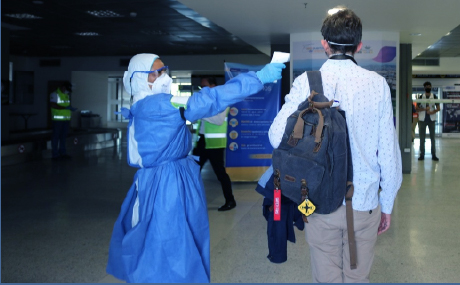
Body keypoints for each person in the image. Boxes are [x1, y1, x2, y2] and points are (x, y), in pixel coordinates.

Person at [106, 53, 285, 283]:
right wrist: (258, 78)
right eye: (156, 72)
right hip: (166, 185)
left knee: (171, 237)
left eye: (164, 70)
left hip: (167, 178)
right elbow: (205, 101)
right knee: (172, 241)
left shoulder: (147, 104)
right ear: (139, 78)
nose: (164, 76)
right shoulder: (160, 104)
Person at [268, 7, 402, 283]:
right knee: (357, 278)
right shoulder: (378, 85)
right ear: (359, 46)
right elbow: (389, 154)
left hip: (317, 201)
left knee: (325, 279)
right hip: (364, 203)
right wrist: (386, 205)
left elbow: (275, 136)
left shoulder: (306, 82)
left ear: (324, 44)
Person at [192, 77, 236, 211]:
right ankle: (191, 202)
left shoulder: (222, 101)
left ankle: (230, 200)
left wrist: (201, 113)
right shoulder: (204, 101)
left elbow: (218, 120)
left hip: (215, 145)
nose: (202, 90)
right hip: (201, 142)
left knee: (220, 174)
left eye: (205, 86)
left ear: (213, 86)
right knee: (192, 171)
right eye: (201, 87)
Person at [49, 81, 77, 160]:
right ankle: (55, 155)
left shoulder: (66, 95)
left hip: (66, 120)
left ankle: (63, 153)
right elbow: (53, 104)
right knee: (56, 137)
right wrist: (65, 108)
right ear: (63, 87)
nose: (67, 91)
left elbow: (66, 105)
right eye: (67, 89)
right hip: (57, 120)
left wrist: (70, 107)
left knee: (63, 137)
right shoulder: (54, 94)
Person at [416, 81, 441, 160]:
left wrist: (432, 112)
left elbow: (438, 108)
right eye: (426, 86)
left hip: (431, 119)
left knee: (432, 138)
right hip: (422, 120)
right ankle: (422, 154)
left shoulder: (434, 96)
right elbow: (416, 108)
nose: (428, 87)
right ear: (424, 88)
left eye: (429, 86)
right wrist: (424, 109)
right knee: (422, 138)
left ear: (431, 87)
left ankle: (433, 154)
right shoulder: (421, 97)